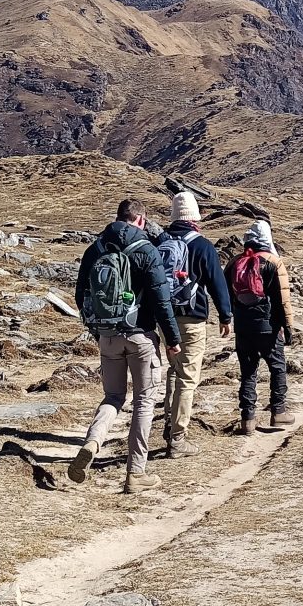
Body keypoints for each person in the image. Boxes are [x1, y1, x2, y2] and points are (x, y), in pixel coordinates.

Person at [71, 198, 182, 492]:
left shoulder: (95, 249)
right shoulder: (147, 250)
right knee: (144, 401)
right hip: (140, 335)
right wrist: (172, 340)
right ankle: (136, 472)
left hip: (107, 336)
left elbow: (80, 294)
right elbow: (161, 299)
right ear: (141, 221)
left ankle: (93, 442)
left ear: (118, 218)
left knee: (113, 397)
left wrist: (97, 330)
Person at [156, 191, 232, 457]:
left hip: (165, 319)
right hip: (193, 318)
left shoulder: (160, 242)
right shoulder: (202, 245)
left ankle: (168, 423)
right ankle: (177, 438)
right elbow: (217, 283)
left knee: (174, 371)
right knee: (188, 377)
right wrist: (225, 315)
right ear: (195, 217)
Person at [229, 218, 294, 433]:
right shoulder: (273, 262)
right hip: (269, 327)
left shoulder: (234, 262)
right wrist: (289, 327)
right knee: (277, 368)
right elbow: (283, 300)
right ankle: (279, 412)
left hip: (243, 327)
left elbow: (226, 295)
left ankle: (247, 419)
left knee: (248, 372)